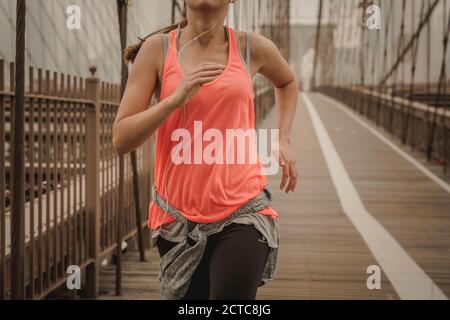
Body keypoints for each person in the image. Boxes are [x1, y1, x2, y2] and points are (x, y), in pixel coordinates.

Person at [112, 0, 298, 300]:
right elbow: (121, 139)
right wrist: (174, 99)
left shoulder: (253, 48)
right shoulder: (157, 50)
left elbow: (287, 81)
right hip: (177, 220)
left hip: (244, 210)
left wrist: (283, 138)